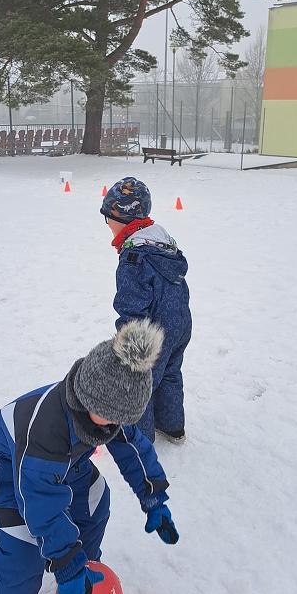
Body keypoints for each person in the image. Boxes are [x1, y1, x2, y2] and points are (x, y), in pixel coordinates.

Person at [0, 319, 179, 594]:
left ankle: (84, 568)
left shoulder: (108, 408)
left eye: (121, 419)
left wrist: (154, 499)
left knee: (96, 501)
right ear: (88, 397)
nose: (116, 426)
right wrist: (65, 561)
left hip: (66, 462)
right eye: (111, 419)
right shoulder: (47, 425)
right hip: (9, 469)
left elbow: (133, 449)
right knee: (24, 545)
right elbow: (39, 500)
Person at [100, 177, 191, 444]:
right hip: (180, 323)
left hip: (152, 331)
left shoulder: (133, 257)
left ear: (123, 219)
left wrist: (127, 345)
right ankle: (173, 427)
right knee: (170, 373)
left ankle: (139, 439)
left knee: (140, 383)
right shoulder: (164, 243)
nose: (107, 224)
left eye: (108, 218)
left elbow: (131, 307)